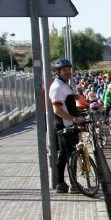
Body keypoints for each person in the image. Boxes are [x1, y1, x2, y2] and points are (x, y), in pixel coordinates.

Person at [48, 58, 83, 193]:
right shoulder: (57, 87)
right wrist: (73, 119)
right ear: (58, 72)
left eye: (69, 69)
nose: (68, 72)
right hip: (65, 126)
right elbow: (57, 110)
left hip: (67, 125)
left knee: (63, 155)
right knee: (71, 155)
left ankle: (61, 184)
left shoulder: (64, 85)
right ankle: (74, 185)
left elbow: (66, 104)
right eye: (64, 70)